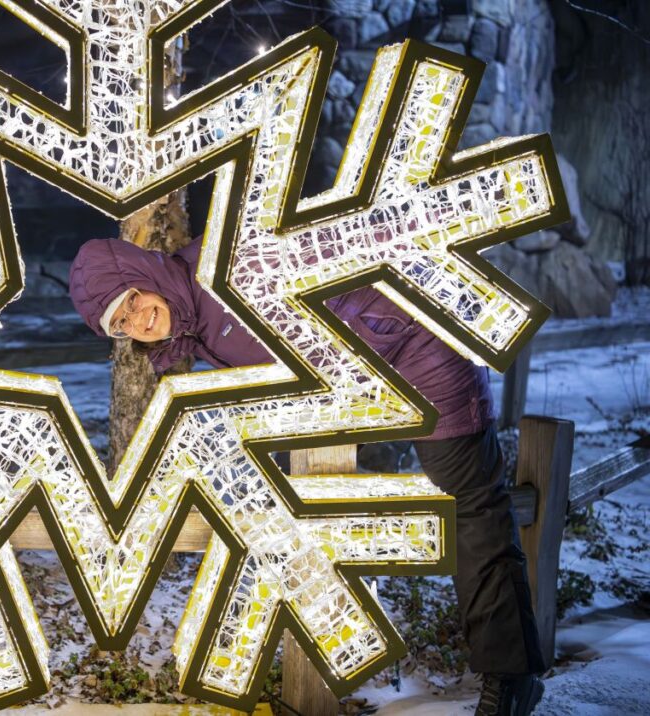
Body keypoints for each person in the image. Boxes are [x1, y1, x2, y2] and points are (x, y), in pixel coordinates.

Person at [69, 236, 546, 716]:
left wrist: (388, 324)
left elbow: (345, 241)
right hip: (357, 398)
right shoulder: (194, 323)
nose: (138, 319)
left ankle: (511, 678)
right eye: (121, 323)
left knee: (473, 511)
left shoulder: (228, 255)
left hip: (420, 357)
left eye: (131, 298)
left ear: (144, 274)